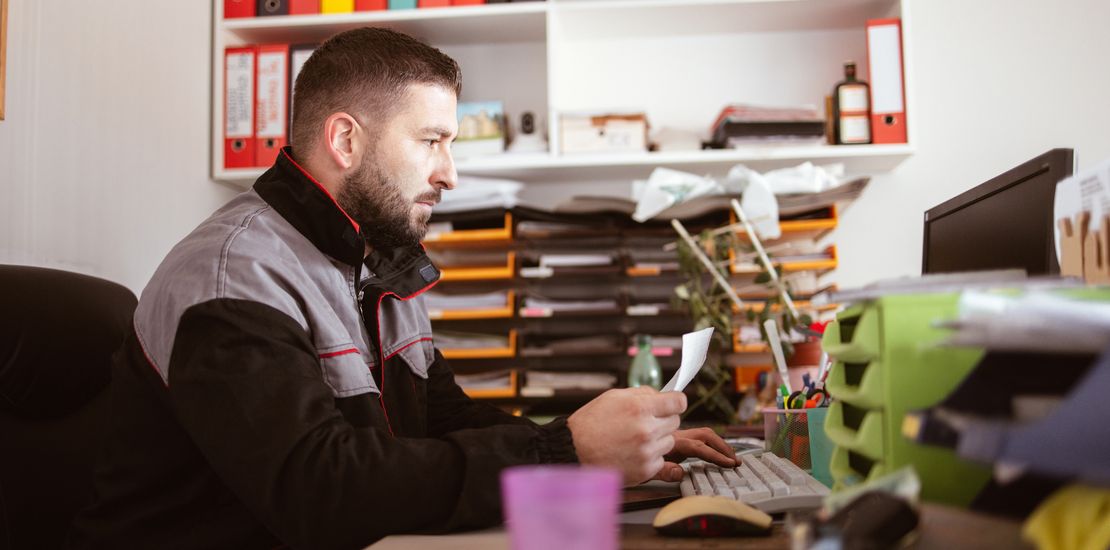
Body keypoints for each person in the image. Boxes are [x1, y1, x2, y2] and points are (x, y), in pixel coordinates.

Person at [70, 27, 738, 549]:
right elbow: (322, 494)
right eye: (431, 141)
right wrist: (565, 454)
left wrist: (606, 440)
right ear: (345, 141)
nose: (450, 173)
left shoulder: (373, 262)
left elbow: (441, 421)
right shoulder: (233, 278)